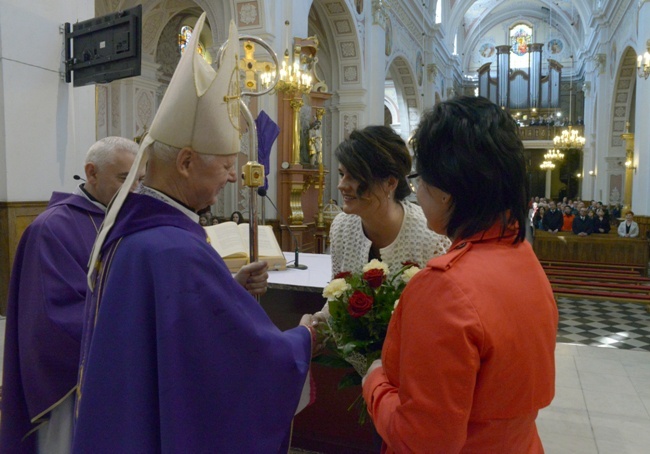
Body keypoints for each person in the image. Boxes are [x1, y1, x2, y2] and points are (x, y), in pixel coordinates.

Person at [72, 16, 323, 452]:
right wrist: (306, 337)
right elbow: (234, 370)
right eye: (226, 165)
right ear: (186, 162)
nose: (232, 177)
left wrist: (227, 288)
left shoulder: (135, 232)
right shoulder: (172, 248)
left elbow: (167, 337)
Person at [362, 96, 558, 452]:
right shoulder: (523, 257)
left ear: (447, 191)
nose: (417, 193)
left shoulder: (445, 286)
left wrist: (374, 381)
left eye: (420, 179)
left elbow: (421, 440)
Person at [0, 136, 141, 452]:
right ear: (92, 173)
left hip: (119, 369)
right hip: (70, 381)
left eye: (138, 180)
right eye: (123, 178)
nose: (133, 190)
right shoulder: (51, 228)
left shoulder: (128, 224)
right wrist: (129, 332)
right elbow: (52, 316)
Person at [329, 125, 450, 278]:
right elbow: (336, 297)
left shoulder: (431, 238)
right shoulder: (341, 227)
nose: (341, 185)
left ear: (390, 183)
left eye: (354, 176)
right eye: (341, 174)